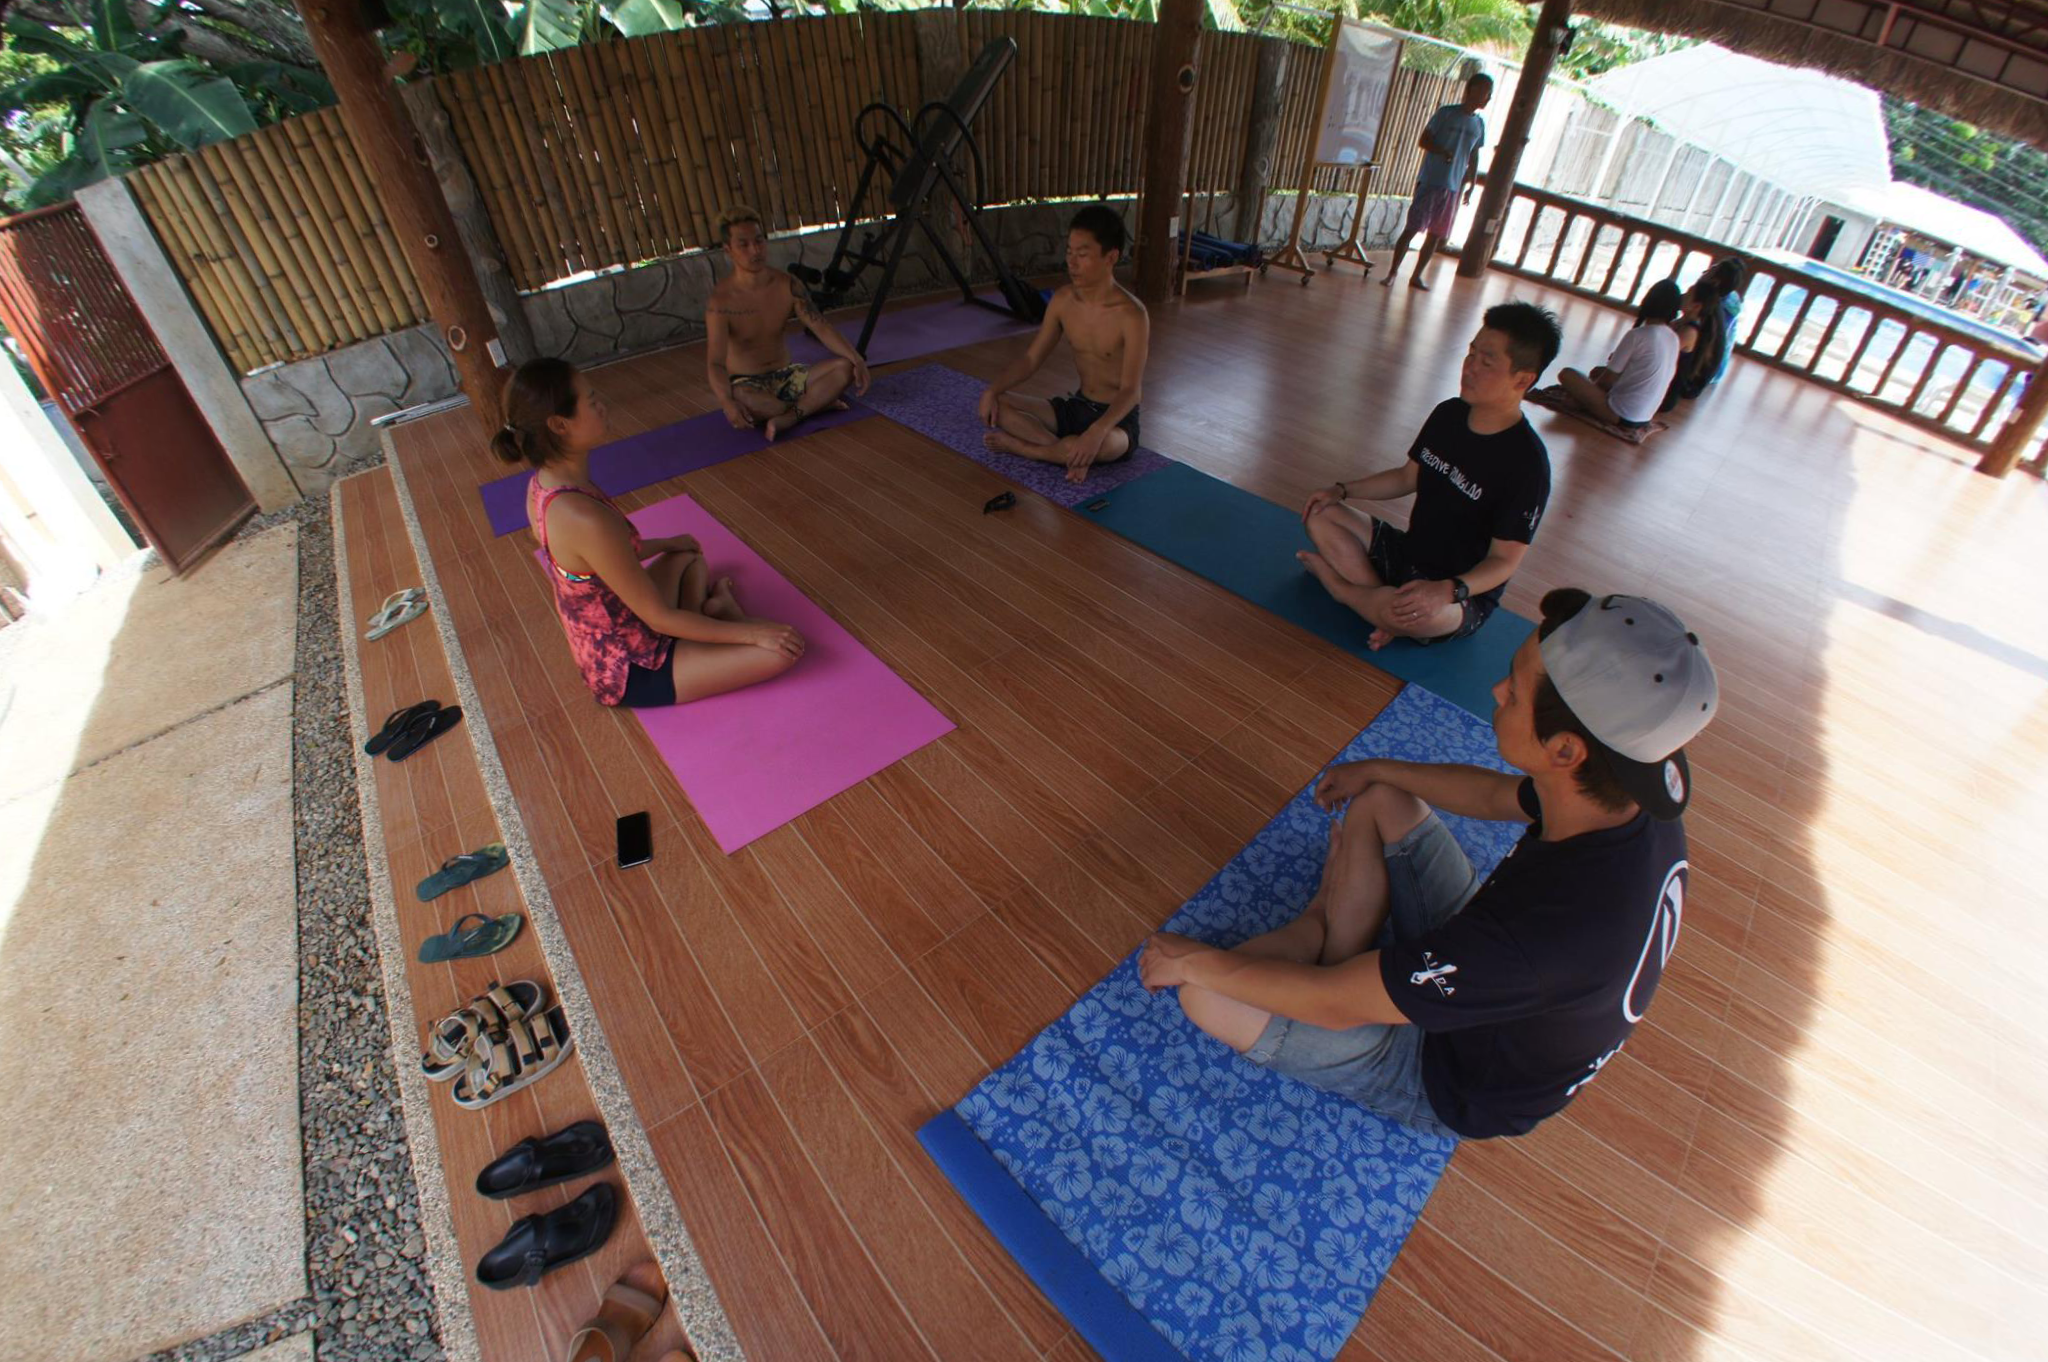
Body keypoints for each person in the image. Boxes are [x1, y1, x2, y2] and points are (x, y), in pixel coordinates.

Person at [1138, 588, 1718, 1141]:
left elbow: (1335, 1006)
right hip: (1498, 974)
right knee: (1382, 799)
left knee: (1205, 995)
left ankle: (1318, 928)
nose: (1496, 690)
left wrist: (1194, 963)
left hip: (1447, 1074)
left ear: (1565, 749)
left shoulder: (1535, 946)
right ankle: (1324, 932)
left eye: (1515, 692)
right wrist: (1379, 768)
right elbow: (1493, 795)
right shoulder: (1623, 791)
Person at [494, 358, 806, 709]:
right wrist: (752, 632)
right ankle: (720, 617)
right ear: (559, 424)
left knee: (686, 556)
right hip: (629, 667)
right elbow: (658, 618)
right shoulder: (581, 517)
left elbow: (606, 560)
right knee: (782, 652)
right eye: (591, 400)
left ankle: (708, 622)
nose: (602, 405)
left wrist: (670, 543)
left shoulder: (541, 484)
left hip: (627, 615)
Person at [1298, 301, 1559, 650]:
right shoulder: (1449, 414)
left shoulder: (1528, 465)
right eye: (1471, 354)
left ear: (1523, 379)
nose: (1470, 368)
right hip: (1409, 554)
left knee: (1424, 617)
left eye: (1486, 362)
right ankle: (1383, 607)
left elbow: (1503, 562)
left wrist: (1448, 590)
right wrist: (1341, 490)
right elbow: (1406, 478)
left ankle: (1343, 591)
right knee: (1320, 513)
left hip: (1460, 594)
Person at [977, 204, 1149, 483]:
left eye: (1083, 254)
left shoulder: (1133, 315)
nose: (1072, 262)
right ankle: (1066, 452)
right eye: (1069, 252)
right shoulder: (1062, 300)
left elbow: (1131, 392)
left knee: (1106, 445)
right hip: (1077, 407)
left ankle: (1028, 449)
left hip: (1116, 421)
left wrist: (1096, 432)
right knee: (998, 404)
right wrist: (992, 390)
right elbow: (1031, 359)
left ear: (1111, 257)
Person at [706, 205, 870, 442]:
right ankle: (815, 404)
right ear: (728, 250)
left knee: (845, 368)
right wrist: (726, 402)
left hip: (789, 376)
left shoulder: (787, 285)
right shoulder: (721, 301)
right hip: (747, 384)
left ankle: (791, 416)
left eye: (759, 241)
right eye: (744, 244)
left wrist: (857, 359)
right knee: (747, 400)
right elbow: (715, 362)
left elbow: (820, 326)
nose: (755, 250)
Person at [1381, 72, 1492, 292]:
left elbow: (1474, 155)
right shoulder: (1446, 114)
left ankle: (1416, 276)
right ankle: (1392, 272)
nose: (1487, 98)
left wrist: (1471, 184)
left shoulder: (1479, 124)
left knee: (1435, 235)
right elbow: (1423, 140)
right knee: (1412, 228)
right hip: (1431, 180)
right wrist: (1442, 151)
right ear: (1473, 89)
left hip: (1453, 187)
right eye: (1486, 92)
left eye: (1489, 94)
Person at [1555, 278, 1684, 430]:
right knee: (1597, 372)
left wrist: (1584, 396)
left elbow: (1606, 382)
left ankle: (1583, 404)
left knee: (1567, 374)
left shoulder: (1637, 335)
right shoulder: (1673, 338)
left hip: (1621, 414)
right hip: (1644, 417)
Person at [1662, 277, 1728, 410]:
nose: (1683, 296)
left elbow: (1660, 353)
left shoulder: (1689, 332)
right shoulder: (1681, 323)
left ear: (1696, 306)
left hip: (1664, 395)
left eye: (1688, 295)